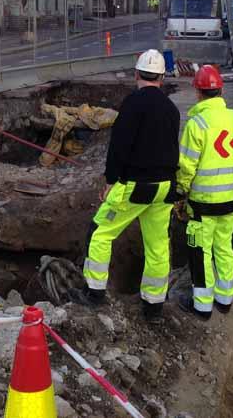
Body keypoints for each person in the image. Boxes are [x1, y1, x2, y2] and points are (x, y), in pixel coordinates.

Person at [78, 49, 180, 322]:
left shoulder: (133, 104)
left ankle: (94, 292)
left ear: (136, 74)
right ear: (161, 76)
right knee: (158, 246)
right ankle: (154, 307)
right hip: (164, 188)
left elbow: (119, 147)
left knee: (100, 232)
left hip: (136, 185)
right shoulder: (171, 108)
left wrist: (111, 180)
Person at [176, 65, 233, 321]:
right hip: (231, 202)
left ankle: (202, 304)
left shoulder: (196, 124)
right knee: (225, 246)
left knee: (199, 250)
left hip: (202, 205)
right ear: (221, 90)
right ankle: (225, 298)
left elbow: (186, 167)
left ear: (198, 93)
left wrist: (180, 193)